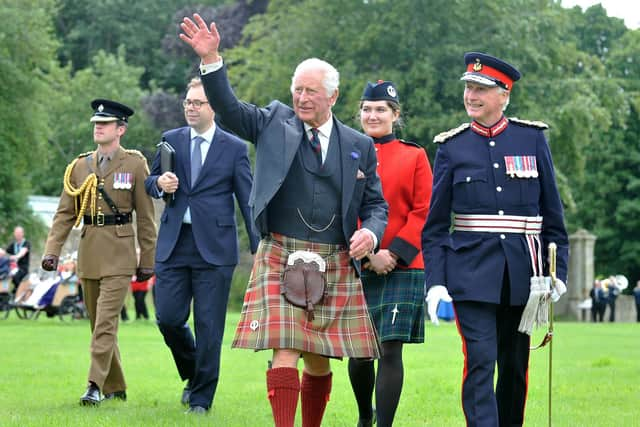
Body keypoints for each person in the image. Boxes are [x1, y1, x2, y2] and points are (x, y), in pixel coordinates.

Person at [179, 14, 388, 427]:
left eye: (311, 91)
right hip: (281, 249)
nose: (302, 98)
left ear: (334, 96)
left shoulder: (358, 145)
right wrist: (212, 61)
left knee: (318, 361)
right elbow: (229, 109)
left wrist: (371, 231)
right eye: (298, 90)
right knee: (286, 346)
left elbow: (377, 204)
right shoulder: (274, 121)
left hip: (334, 254)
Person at [422, 52, 569, 427]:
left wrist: (559, 273)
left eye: (481, 89)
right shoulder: (451, 147)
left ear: (504, 95)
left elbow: (552, 215)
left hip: (524, 275)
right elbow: (436, 225)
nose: (471, 95)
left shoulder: (532, 139)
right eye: (468, 87)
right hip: (470, 275)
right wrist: (436, 283)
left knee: (515, 368)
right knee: (481, 361)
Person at [144, 76, 259, 414]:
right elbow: (150, 183)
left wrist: (258, 247)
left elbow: (247, 200)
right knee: (167, 318)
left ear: (213, 108)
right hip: (174, 245)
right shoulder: (171, 140)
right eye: (187, 103)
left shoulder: (235, 148)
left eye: (197, 103)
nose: (190, 109)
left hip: (216, 250)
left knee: (209, 327)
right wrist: (159, 183)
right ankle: (193, 373)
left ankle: (201, 400)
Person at [41, 99, 156, 406]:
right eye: (96, 123)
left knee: (105, 323)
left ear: (121, 129)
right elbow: (65, 214)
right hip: (89, 251)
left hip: (120, 254)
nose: (98, 127)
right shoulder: (79, 166)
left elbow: (146, 217)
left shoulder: (134, 164)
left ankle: (94, 385)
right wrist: (52, 250)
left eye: (105, 123)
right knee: (97, 324)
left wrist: (148, 259)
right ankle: (116, 386)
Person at [347, 81, 432, 427]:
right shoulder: (345, 152)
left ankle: (383, 424)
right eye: (367, 109)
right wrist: (367, 256)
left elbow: (424, 210)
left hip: (404, 264)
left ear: (395, 115)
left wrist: (392, 254)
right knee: (360, 350)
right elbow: (340, 209)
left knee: (390, 348)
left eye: (381, 109)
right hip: (357, 261)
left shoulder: (415, 156)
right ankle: (364, 416)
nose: (373, 115)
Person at [4, 226, 31, 293]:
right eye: (16, 233)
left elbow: (22, 252)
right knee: (4, 275)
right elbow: (4, 252)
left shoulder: (26, 243)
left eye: (19, 233)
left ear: (23, 233)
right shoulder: (13, 244)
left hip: (22, 268)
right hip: (13, 268)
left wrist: (16, 256)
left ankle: (19, 292)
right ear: (14, 234)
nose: (18, 234)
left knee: (16, 276)